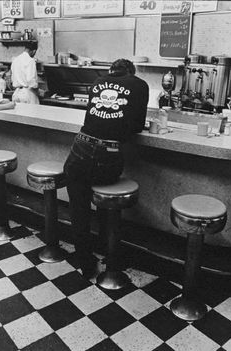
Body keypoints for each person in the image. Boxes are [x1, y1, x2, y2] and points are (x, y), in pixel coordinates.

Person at [64, 58, 149, 276]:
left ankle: (85, 260)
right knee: (104, 194)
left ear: (112, 71)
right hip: (109, 156)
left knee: (78, 205)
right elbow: (136, 127)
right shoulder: (140, 85)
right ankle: (108, 249)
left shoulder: (97, 81)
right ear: (132, 72)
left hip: (81, 146)